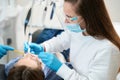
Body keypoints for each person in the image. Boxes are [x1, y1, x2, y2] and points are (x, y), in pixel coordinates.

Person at [24, 0, 120, 80]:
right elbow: (63, 40)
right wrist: (44, 47)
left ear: (89, 16)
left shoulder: (108, 49)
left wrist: (60, 68)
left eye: (69, 17)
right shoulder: (79, 29)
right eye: (65, 16)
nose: (66, 21)